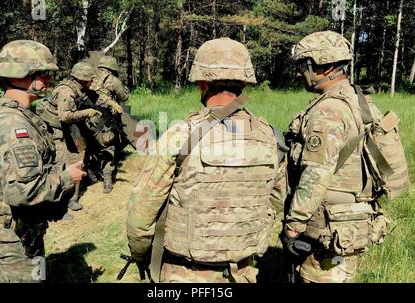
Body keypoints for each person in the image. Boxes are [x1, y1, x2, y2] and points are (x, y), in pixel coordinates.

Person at [126, 37, 287, 283]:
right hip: (243, 273)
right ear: (244, 82)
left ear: (202, 83)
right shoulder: (270, 136)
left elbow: (142, 213)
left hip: (185, 274)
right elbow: (276, 199)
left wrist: (141, 256)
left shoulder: (182, 135)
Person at [282, 31, 393, 283]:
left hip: (326, 223)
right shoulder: (360, 101)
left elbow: (317, 171)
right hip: (352, 218)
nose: (300, 73)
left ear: (326, 66)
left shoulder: (328, 111)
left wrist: (294, 224)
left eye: (304, 65)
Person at [0, 40, 86, 282]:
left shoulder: (3, 110)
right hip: (14, 236)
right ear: (21, 77)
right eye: (42, 74)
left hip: (9, 229)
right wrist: (67, 177)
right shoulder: (14, 127)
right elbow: (21, 192)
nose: (48, 80)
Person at [37, 62, 100, 211]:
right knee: (59, 165)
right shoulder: (66, 91)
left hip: (68, 131)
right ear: (83, 78)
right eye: (90, 78)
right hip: (56, 133)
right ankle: (58, 205)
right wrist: (87, 112)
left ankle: (72, 199)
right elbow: (65, 116)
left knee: (75, 161)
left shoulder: (78, 89)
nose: (92, 81)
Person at [88, 56, 131, 193]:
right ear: (113, 68)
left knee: (90, 146)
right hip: (104, 118)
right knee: (109, 147)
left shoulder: (90, 75)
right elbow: (124, 96)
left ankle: (92, 174)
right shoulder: (113, 80)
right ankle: (107, 180)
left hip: (86, 117)